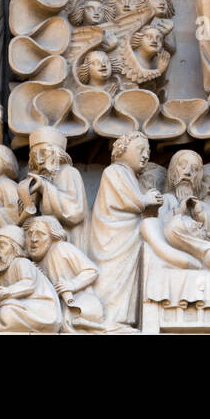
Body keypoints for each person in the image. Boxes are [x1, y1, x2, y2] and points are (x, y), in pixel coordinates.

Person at [88, 131, 163, 326]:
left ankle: (121, 319)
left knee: (125, 280)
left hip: (127, 237)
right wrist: (146, 199)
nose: (145, 156)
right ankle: (108, 319)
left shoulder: (130, 176)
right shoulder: (114, 171)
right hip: (113, 239)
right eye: (140, 150)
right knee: (111, 277)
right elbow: (127, 200)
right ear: (122, 150)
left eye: (148, 151)